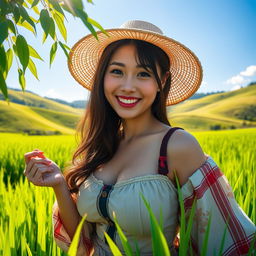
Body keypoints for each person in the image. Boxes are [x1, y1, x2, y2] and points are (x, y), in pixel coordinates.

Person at [23, 20, 255, 255]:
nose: (127, 86)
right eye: (117, 71)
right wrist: (59, 185)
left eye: (143, 73)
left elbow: (222, 240)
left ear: (161, 82)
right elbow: (83, 240)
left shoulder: (177, 146)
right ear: (103, 77)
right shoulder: (102, 145)